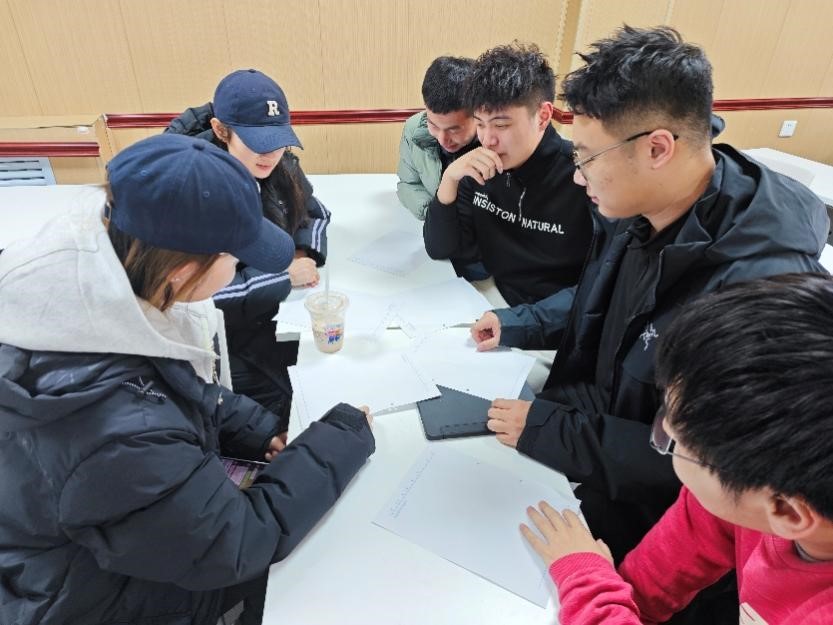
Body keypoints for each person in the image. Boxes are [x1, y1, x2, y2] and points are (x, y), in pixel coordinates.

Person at [472, 26, 829, 565]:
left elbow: (703, 468)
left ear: (657, 148)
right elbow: (604, 299)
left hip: (649, 524)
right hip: (586, 435)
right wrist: (521, 322)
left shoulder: (759, 296)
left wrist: (551, 430)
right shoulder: (643, 202)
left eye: (586, 157)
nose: (578, 177)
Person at [0, 134, 375, 625]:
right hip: (84, 599)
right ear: (180, 272)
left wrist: (258, 428)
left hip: (68, 543)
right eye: (234, 259)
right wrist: (340, 439)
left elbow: (167, 380)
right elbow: (234, 542)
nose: (238, 267)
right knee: (319, 579)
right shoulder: (116, 431)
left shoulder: (99, 279)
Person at [521, 274, 833, 625]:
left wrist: (585, 581)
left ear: (787, 512)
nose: (667, 429)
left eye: (673, 442)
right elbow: (661, 570)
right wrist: (612, 600)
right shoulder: (755, 490)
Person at [167, 68, 330, 429]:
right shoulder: (193, 188)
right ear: (221, 130)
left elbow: (315, 212)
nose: (270, 153)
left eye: (279, 140)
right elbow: (195, 297)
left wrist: (301, 252)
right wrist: (282, 276)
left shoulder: (279, 164)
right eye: (257, 141)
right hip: (223, 338)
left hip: (277, 315)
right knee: (292, 408)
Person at [422, 42, 593, 306]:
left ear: (543, 116)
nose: (488, 140)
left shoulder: (582, 176)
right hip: (492, 297)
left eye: (501, 125)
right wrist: (449, 180)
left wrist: (517, 321)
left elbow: (598, 288)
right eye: (480, 124)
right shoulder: (479, 165)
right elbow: (440, 248)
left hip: (556, 315)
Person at [397, 55, 478, 221]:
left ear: (478, 115)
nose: (442, 139)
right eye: (433, 125)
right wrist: (438, 216)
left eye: (454, 129)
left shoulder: (496, 141)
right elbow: (409, 185)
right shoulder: (414, 128)